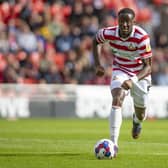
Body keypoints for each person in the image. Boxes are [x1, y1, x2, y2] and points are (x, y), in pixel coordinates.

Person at [93, 8, 152, 156]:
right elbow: (96, 41)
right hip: (120, 69)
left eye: (128, 22)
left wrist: (133, 80)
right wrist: (97, 64)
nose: (124, 25)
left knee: (141, 112)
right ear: (118, 22)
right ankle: (114, 144)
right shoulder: (109, 32)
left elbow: (148, 66)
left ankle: (137, 121)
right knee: (117, 97)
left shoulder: (142, 37)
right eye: (122, 21)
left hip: (140, 74)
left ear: (134, 22)